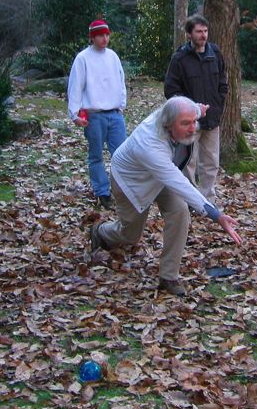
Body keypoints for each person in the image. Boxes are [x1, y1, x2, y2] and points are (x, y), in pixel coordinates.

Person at [89, 96, 241, 296]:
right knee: (131, 235)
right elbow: (181, 183)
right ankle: (101, 232)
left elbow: (188, 110)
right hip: (132, 181)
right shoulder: (150, 144)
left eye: (193, 122)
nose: (192, 128)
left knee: (180, 212)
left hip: (164, 175)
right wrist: (215, 215)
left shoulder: (176, 115)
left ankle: (168, 276)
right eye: (185, 124)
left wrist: (199, 111)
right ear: (168, 124)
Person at [163, 14, 228, 203]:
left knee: (211, 162)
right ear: (189, 34)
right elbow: (171, 90)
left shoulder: (215, 53)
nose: (203, 35)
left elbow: (223, 83)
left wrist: (217, 105)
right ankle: (189, 200)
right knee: (187, 163)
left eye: (206, 31)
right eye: (199, 31)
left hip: (212, 119)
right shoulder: (180, 58)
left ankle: (208, 200)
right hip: (189, 121)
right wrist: (187, 111)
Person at [67, 19, 127, 210]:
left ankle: (123, 190)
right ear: (93, 37)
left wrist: (121, 104)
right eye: (100, 35)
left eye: (107, 35)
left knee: (122, 154)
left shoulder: (113, 57)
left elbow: (120, 80)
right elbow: (76, 86)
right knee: (96, 156)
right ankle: (103, 192)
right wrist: (75, 113)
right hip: (94, 115)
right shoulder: (83, 58)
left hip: (114, 114)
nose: (105, 38)